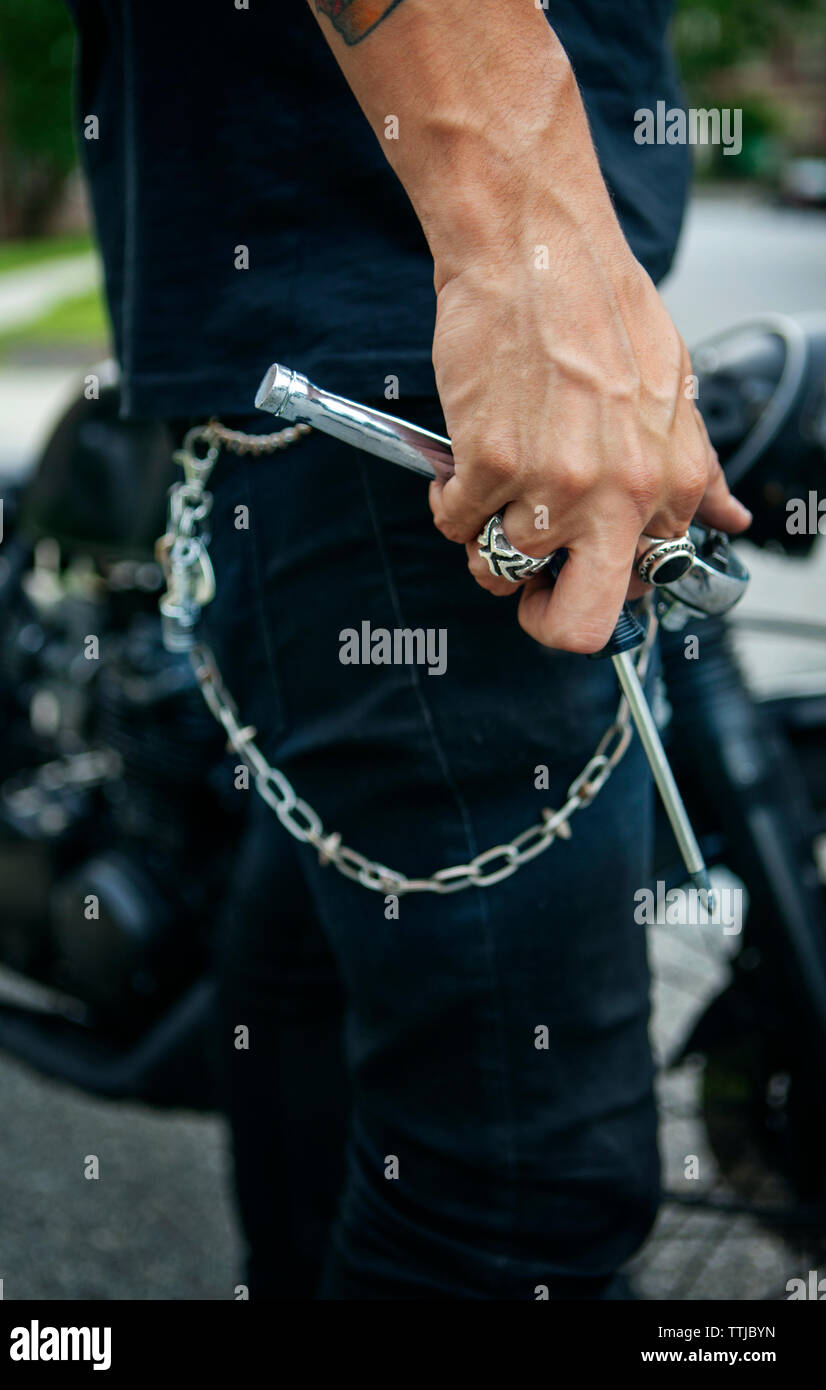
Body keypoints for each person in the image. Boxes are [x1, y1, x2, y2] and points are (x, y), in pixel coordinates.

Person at [66, 0, 751, 1299]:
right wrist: (529, 241)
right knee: (518, 1202)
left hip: (425, 342)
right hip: (417, 359)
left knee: (331, 1018)